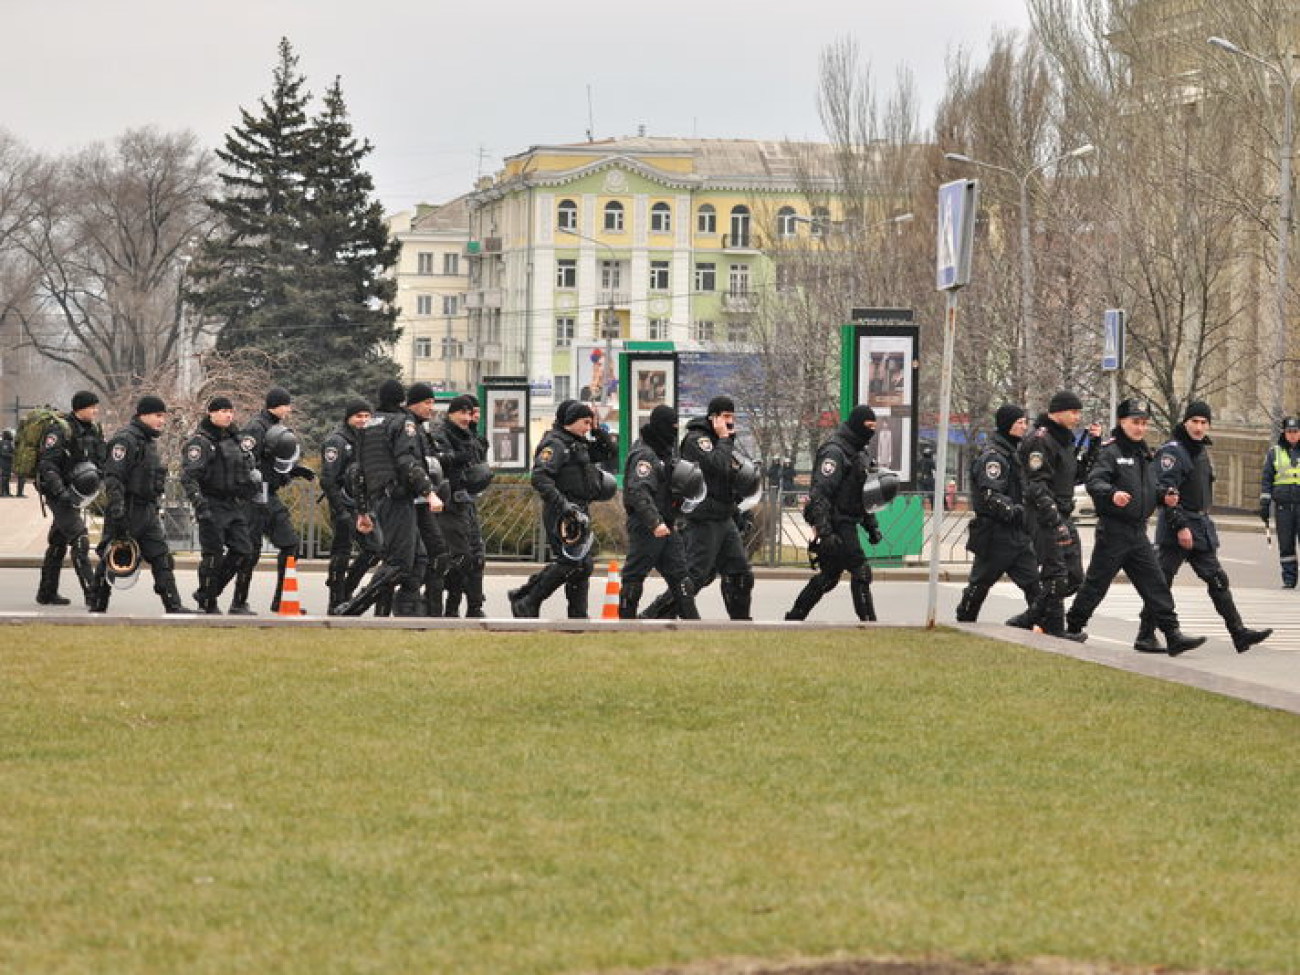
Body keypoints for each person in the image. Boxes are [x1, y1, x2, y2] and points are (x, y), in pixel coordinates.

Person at [1063, 399, 1205, 655]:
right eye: (1135, 423)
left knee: (1156, 584)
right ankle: (1073, 627)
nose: (1140, 428)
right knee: (1096, 584)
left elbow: (1149, 487)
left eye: (1143, 423)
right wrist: (1112, 494)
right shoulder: (1111, 451)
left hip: (1137, 533)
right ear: (1121, 422)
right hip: (1114, 531)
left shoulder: (1143, 453)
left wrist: (1164, 495)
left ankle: (1172, 635)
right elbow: (1095, 482)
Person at [1136, 401, 1271, 653]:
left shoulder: (1199, 450)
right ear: (1185, 422)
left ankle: (1238, 633)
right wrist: (1180, 527)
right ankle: (1145, 635)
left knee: (1217, 579)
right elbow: (1165, 491)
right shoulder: (1173, 451)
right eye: (1194, 422)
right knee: (1161, 582)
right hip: (1178, 528)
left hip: (1199, 525)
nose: (1199, 427)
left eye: (1203, 422)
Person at [333, 379, 439, 616]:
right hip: (398, 499)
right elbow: (407, 461)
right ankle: (353, 608)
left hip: (380, 499)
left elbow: (358, 471)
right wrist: (429, 492)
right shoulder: (403, 423)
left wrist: (363, 511)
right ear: (402, 400)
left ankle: (402, 613)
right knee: (400, 563)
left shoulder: (368, 426)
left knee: (419, 558)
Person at [87, 395, 197, 614]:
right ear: (143, 414)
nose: (162, 421)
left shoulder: (148, 442)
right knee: (112, 556)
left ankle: (173, 605)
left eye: (163, 416)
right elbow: (114, 477)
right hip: (127, 508)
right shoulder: (125, 440)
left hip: (146, 510)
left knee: (161, 556)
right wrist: (117, 509)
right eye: (158, 415)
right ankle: (97, 605)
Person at [1011, 390, 1098, 638]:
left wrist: (1094, 446)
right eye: (1073, 412)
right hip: (1044, 515)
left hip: (1062, 513)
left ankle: (1033, 618)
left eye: (1079, 412)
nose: (1077, 417)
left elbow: (1077, 475)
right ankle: (1050, 628)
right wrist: (1054, 521)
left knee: (1074, 576)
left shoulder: (1064, 439)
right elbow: (1037, 486)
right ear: (1056, 412)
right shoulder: (1041, 440)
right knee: (1056, 575)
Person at [510, 400, 609, 618]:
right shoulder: (555, 444)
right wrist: (563, 505)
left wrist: (597, 429)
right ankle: (527, 600)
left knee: (583, 564)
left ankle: (578, 615)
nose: (587, 427)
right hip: (562, 511)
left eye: (590, 422)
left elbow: (606, 453)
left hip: (580, 509)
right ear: (570, 422)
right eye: (585, 422)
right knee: (570, 562)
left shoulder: (578, 442)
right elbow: (540, 477)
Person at [785, 405, 883, 621]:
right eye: (868, 427)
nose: (871, 431)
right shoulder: (835, 452)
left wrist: (871, 526)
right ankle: (870, 624)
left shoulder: (860, 452)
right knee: (861, 570)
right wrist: (826, 532)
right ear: (857, 425)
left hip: (848, 519)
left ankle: (794, 617)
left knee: (829, 577)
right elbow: (819, 494)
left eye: (874, 427)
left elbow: (863, 494)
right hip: (837, 522)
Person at [232, 387, 316, 614]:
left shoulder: (276, 427)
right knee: (251, 552)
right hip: (254, 497)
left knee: (290, 545)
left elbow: (275, 462)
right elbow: (244, 459)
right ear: (276, 405)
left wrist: (295, 471)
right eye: (286, 405)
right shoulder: (255, 427)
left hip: (271, 495)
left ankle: (283, 599)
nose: (289, 409)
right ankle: (238, 602)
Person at [954, 404, 1041, 623]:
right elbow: (991, 495)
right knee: (980, 586)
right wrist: (1019, 512)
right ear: (1007, 425)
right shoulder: (994, 457)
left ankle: (1045, 627)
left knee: (1035, 587)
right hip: (995, 534)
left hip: (1017, 535)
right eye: (1019, 423)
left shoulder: (1015, 453)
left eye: (1024, 422)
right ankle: (964, 624)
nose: (1024, 427)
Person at [620, 404, 699, 619]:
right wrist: (655, 522)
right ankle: (624, 625)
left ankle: (693, 624)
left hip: (666, 524)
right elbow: (639, 492)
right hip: (647, 525)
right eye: (671, 427)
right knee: (634, 576)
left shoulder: (664, 451)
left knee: (681, 577)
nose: (674, 432)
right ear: (660, 426)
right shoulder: (645, 455)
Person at [180, 396, 258, 615]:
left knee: (244, 551)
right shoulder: (201, 442)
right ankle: (208, 603)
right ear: (211, 413)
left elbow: (245, 469)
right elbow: (188, 477)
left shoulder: (235, 440)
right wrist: (199, 504)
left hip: (233, 505)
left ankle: (207, 592)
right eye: (223, 410)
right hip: (211, 503)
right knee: (213, 555)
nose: (228, 415)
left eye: (231, 410)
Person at [35, 390, 105, 605]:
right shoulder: (59, 430)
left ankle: (46, 592)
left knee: (58, 540)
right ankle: (93, 595)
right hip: (59, 494)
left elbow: (100, 460)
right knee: (81, 538)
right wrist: (60, 493)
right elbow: (48, 465)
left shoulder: (93, 430)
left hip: (77, 493)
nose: (96, 410)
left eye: (96, 406)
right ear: (79, 408)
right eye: (92, 406)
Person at [320, 398, 381, 613]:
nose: (363, 420)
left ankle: (347, 589)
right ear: (349, 418)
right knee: (341, 552)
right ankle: (335, 599)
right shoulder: (337, 441)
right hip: (343, 505)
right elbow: (328, 479)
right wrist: (340, 511)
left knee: (375, 548)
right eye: (359, 416)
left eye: (367, 416)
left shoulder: (370, 439)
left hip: (363, 505)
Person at [437, 394, 491, 617]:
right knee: (460, 558)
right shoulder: (440, 435)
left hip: (467, 502)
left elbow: (477, 466)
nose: (467, 418)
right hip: (448, 504)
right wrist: (456, 457)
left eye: (470, 414)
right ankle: (450, 606)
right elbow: (437, 461)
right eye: (463, 413)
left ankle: (475, 607)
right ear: (451, 413)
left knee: (476, 557)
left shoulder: (472, 438)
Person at [405, 383, 450, 615]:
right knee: (410, 560)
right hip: (408, 502)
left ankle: (431, 611)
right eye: (426, 402)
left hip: (424, 501)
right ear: (413, 403)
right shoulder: (407, 427)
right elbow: (408, 464)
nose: (430, 407)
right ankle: (403, 606)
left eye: (432, 402)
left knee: (438, 554)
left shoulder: (422, 429)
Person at [1259, 414, 1300, 588]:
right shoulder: (1274, 452)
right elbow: (1267, 479)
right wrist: (1265, 503)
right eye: (1289, 431)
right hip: (1283, 507)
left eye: (1295, 431)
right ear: (1284, 433)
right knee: (1286, 545)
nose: (1292, 434)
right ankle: (1289, 579)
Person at [0, 428, 13, 496]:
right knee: (4, 478)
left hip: (6, 463)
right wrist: (13, 456)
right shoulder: (5, 443)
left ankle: (7, 492)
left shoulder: (6, 442)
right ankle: (2, 492)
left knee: (6, 478)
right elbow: (4, 453)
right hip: (4, 463)